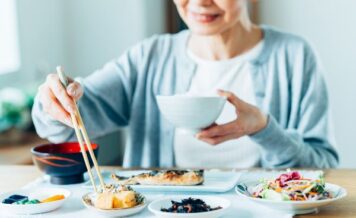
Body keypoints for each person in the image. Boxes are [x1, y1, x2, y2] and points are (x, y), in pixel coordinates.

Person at [32, 0, 338, 168]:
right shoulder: (150, 56)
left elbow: (323, 167)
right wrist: (54, 101)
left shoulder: (294, 56)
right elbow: (63, 126)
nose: (201, 3)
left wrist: (264, 128)